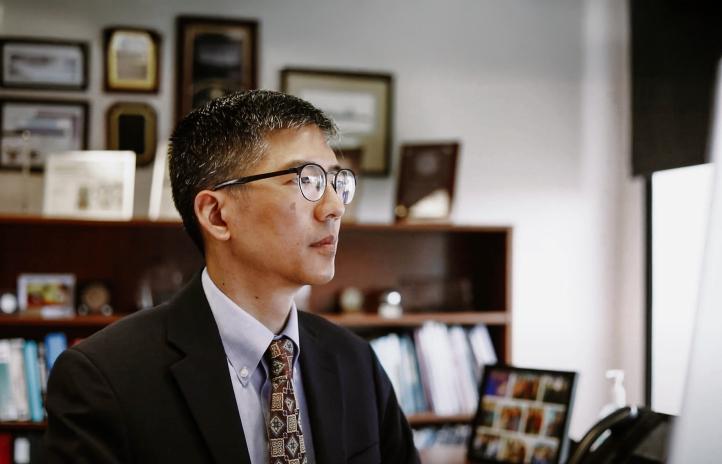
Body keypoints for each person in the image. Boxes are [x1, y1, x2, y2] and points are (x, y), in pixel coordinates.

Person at [44, 90, 420, 464]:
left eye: (336, 181)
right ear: (217, 215)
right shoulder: (104, 377)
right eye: (305, 180)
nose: (335, 207)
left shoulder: (354, 360)